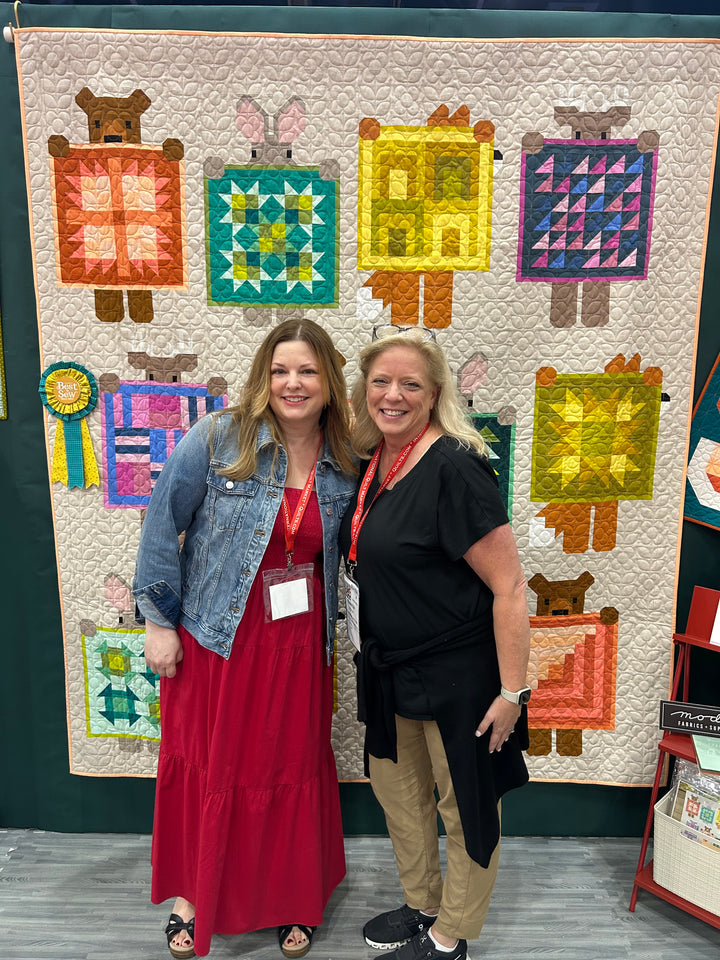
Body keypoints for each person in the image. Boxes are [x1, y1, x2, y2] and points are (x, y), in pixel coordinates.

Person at [133, 318, 357, 960]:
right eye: (282, 369)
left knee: (286, 770)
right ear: (265, 375)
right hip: (217, 640)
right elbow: (160, 524)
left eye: (308, 371)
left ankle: (293, 896)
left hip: (297, 647)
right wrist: (158, 621)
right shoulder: (219, 437)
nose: (294, 383)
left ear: (329, 382)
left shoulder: (346, 458)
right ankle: (191, 896)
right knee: (211, 766)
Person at [339, 330, 531, 960]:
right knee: (400, 798)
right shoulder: (374, 463)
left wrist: (511, 692)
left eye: (410, 384)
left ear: (436, 394)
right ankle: (423, 905)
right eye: (380, 382)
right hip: (389, 672)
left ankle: (451, 936)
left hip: (461, 678)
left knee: (465, 805)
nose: (392, 395)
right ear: (364, 389)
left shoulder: (453, 465)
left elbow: (508, 587)